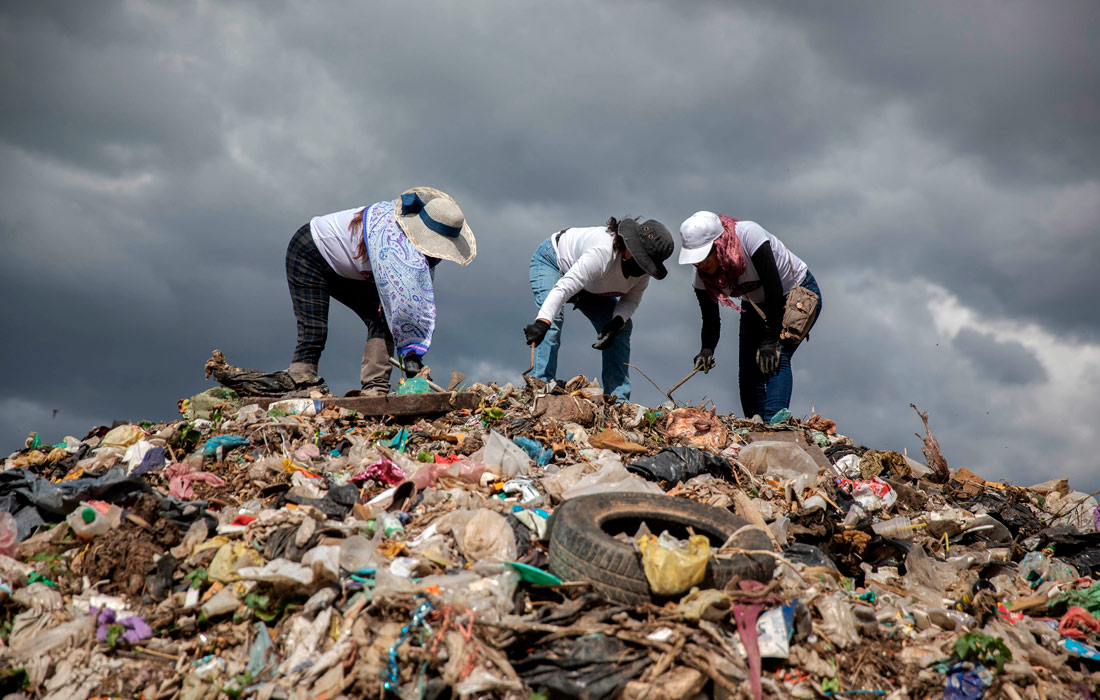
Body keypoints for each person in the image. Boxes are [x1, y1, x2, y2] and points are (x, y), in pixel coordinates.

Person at [285, 187, 475, 395]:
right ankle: (300, 383)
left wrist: (413, 358)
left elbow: (414, 301)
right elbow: (402, 305)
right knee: (314, 331)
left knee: (382, 316)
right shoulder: (392, 242)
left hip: (349, 269)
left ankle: (375, 387)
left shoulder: (417, 255)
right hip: (309, 252)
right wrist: (411, 356)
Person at [678, 211, 821, 421]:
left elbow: (773, 287)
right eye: (695, 260)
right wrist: (706, 349)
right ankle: (756, 426)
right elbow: (710, 318)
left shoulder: (749, 236)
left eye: (703, 257)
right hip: (756, 304)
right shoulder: (701, 277)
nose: (700, 265)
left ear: (718, 246)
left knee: (775, 358)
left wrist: (771, 339)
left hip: (794, 293)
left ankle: (775, 425)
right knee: (748, 375)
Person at [523, 217, 674, 400]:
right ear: (629, 246)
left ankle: (618, 398)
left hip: (592, 286)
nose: (642, 267)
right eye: (640, 259)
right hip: (554, 263)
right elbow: (564, 288)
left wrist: (615, 324)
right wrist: (542, 323)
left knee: (623, 327)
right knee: (552, 321)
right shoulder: (602, 253)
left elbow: (630, 301)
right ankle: (541, 386)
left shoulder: (643, 273)